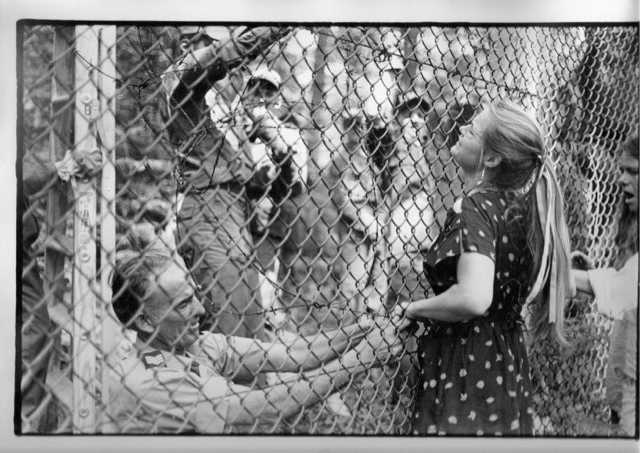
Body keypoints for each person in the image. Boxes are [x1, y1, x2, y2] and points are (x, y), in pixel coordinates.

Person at [397, 100, 575, 436]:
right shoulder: (524, 211)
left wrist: (416, 308)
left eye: (473, 129)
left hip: (467, 363)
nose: (463, 128)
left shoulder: (476, 205)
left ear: (491, 159)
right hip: (506, 361)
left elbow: (474, 298)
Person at [103, 245, 403, 433]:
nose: (201, 309)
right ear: (145, 320)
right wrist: (365, 355)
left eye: (194, 295)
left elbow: (296, 353)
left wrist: (365, 330)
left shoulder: (185, 343)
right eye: (183, 305)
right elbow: (265, 405)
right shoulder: (153, 379)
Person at [161, 26, 293, 338]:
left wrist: (274, 157)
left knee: (250, 317)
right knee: (226, 321)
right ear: (186, 43)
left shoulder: (216, 109)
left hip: (232, 212)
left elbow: (248, 175)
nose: (218, 45)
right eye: (211, 40)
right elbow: (222, 56)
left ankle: (256, 384)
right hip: (208, 213)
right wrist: (276, 26)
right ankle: (225, 385)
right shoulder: (179, 79)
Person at [20, 148, 101, 432]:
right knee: (32, 333)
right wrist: (60, 165)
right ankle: (22, 425)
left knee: (36, 329)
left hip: (20, 245)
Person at [571, 134, 638, 436]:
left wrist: (561, 274)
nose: (622, 179)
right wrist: (596, 275)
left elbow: (626, 290)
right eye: (622, 170)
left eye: (634, 172)